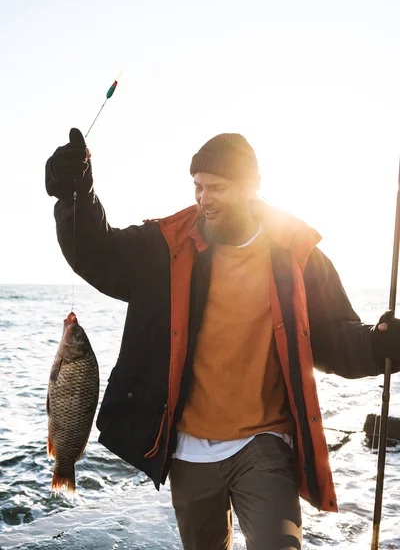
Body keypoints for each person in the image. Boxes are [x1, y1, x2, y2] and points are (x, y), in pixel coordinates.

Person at [46, 129, 400, 550]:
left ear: (250, 188)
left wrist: (380, 346)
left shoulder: (296, 253)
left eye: (216, 187)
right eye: (197, 186)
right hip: (189, 452)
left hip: (264, 442)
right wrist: (76, 195)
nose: (203, 198)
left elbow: (336, 339)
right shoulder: (167, 246)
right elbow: (96, 252)